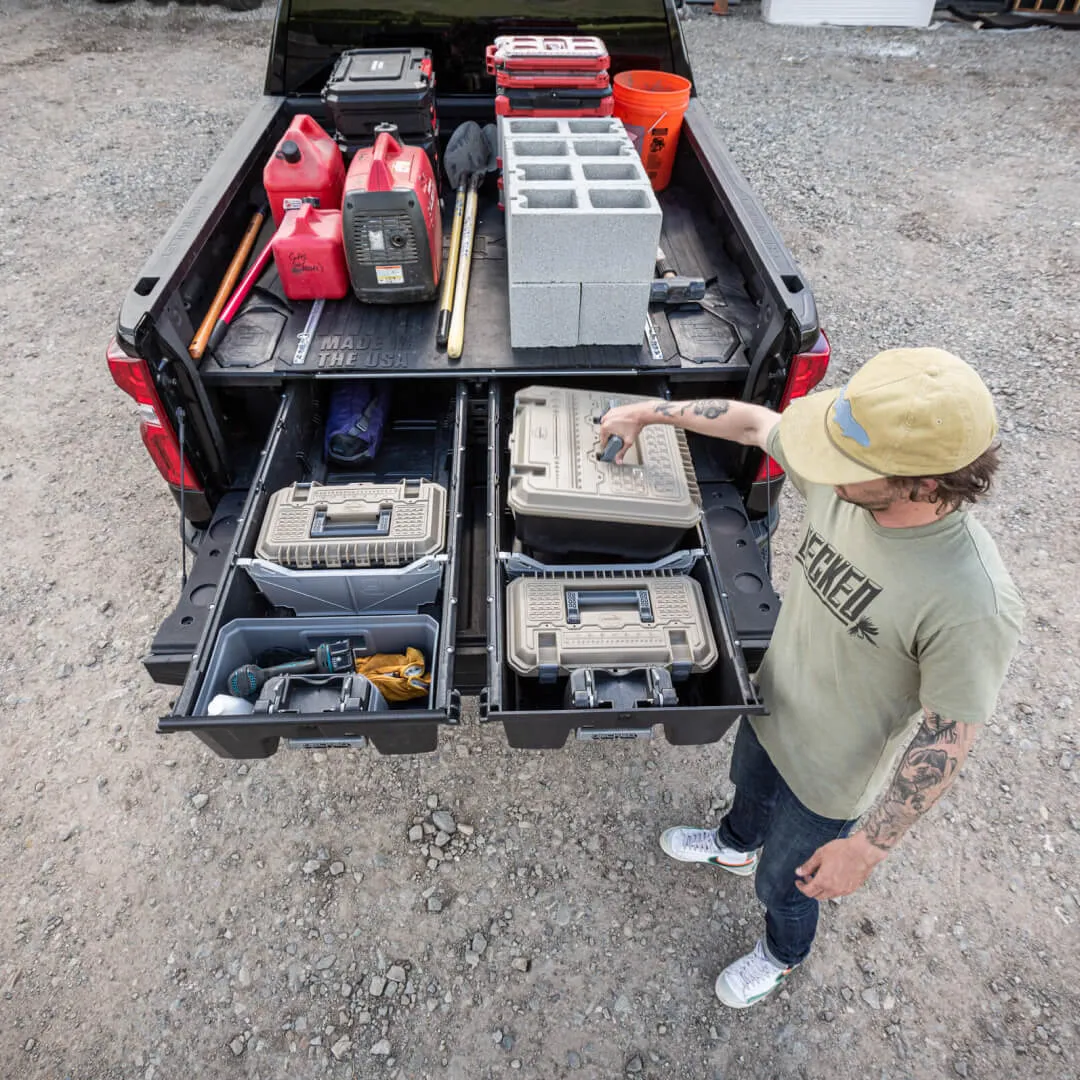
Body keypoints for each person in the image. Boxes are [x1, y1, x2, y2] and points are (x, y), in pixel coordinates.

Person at [599, 347, 1022, 1009]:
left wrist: (869, 847)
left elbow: (947, 737)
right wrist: (647, 413)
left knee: (787, 886)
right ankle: (734, 842)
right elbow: (751, 425)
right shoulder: (846, 479)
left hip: (831, 780)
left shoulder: (972, 601)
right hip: (774, 704)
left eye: (850, 466)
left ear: (927, 482)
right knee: (747, 790)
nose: (825, 474)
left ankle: (782, 952)